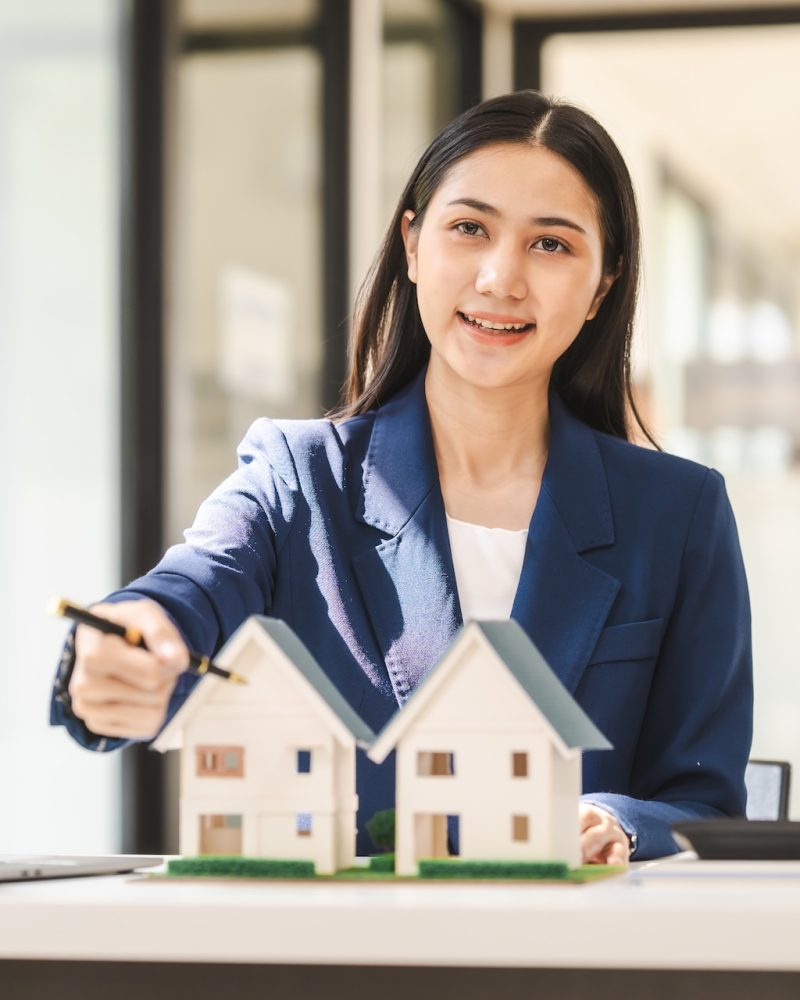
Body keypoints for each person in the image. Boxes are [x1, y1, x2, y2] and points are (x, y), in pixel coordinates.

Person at [50, 90, 753, 865]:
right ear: (413, 245)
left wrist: (618, 821)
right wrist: (131, 637)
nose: (499, 277)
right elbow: (195, 584)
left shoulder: (679, 513)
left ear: (604, 284)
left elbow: (704, 799)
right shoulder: (299, 477)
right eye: (469, 228)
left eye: (551, 245)